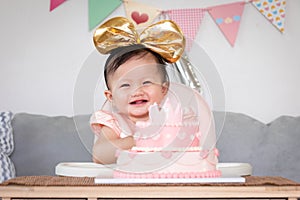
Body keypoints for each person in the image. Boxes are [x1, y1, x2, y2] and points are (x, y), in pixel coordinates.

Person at [90, 17, 186, 164]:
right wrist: (140, 139)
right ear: (111, 97)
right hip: (124, 183)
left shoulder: (171, 118)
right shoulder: (115, 122)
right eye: (125, 85)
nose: (137, 91)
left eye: (146, 82)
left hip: (166, 179)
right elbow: (99, 155)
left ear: (163, 90)